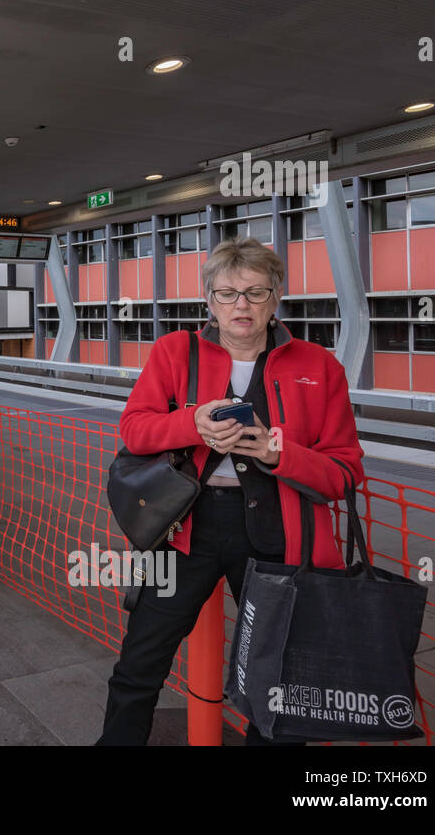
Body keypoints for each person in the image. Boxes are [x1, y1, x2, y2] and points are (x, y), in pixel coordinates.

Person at [96, 237, 365, 746]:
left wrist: (277, 454)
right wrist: (192, 423)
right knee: (139, 663)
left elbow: (345, 472)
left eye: (254, 292)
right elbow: (135, 430)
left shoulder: (319, 365)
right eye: (227, 293)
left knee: (279, 682)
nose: (240, 305)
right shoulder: (175, 350)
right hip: (182, 531)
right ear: (209, 301)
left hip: (277, 536)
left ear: (276, 297)